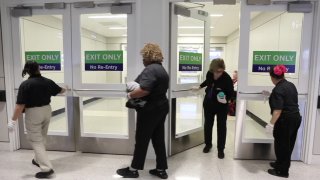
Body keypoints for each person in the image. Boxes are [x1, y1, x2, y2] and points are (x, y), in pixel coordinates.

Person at [116, 43, 169, 179]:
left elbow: (144, 90)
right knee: (158, 139)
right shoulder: (162, 69)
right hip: (161, 107)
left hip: (150, 110)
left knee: (141, 139)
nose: (142, 60)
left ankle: (133, 170)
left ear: (148, 56)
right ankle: (161, 169)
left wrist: (130, 95)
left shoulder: (150, 69)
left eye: (143, 57)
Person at [7, 61, 66, 179]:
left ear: (27, 70)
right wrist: (67, 88)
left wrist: (12, 121)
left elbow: (20, 106)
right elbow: (60, 90)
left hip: (33, 113)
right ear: (38, 68)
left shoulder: (26, 84)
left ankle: (46, 168)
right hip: (47, 111)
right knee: (41, 137)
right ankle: (37, 159)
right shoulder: (47, 81)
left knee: (35, 140)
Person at [262, 65, 301, 178]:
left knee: (282, 145)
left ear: (273, 77)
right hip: (295, 118)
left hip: (285, 120)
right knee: (288, 144)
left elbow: (278, 110)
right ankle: (279, 163)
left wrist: (271, 124)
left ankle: (282, 171)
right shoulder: (290, 85)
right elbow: (287, 99)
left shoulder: (278, 89)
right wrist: (271, 95)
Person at [193, 58, 233, 159]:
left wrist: (226, 100)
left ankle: (221, 149)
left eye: (219, 71)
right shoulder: (210, 73)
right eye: (214, 71)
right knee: (208, 124)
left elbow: (231, 94)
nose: (216, 74)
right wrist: (199, 86)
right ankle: (208, 144)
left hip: (221, 106)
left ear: (223, 69)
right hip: (209, 103)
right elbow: (208, 81)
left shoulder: (227, 79)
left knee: (221, 126)